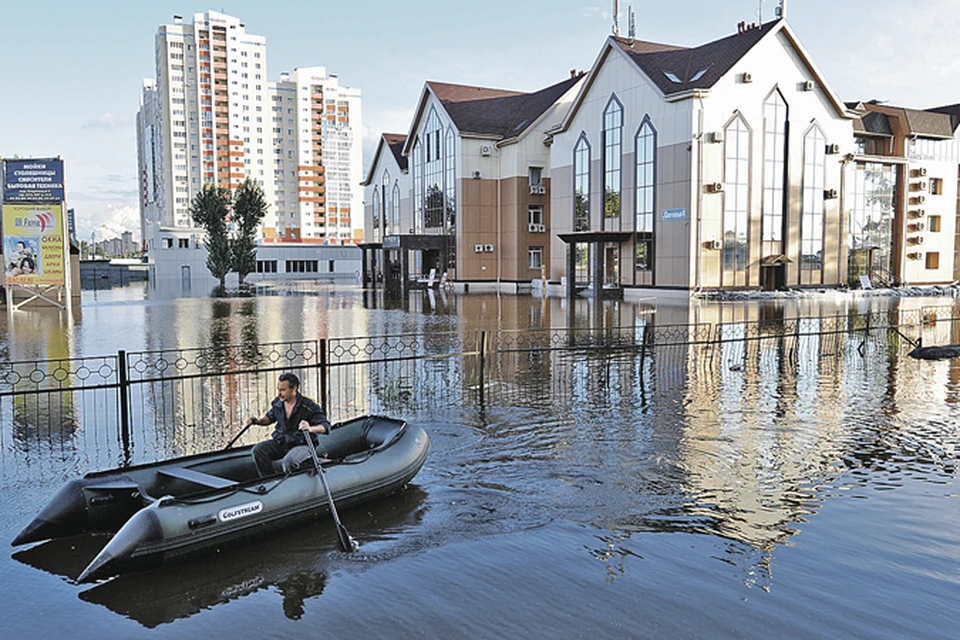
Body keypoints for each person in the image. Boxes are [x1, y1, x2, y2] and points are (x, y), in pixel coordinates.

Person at [248, 372, 331, 477]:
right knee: (258, 450)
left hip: (301, 444)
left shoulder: (308, 406)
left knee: (289, 461)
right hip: (282, 442)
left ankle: (301, 474)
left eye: (283, 390)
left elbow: (325, 426)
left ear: (294, 389)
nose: (279, 393)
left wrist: (310, 428)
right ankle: (269, 480)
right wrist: (257, 421)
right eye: (278, 389)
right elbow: (269, 418)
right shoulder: (278, 403)